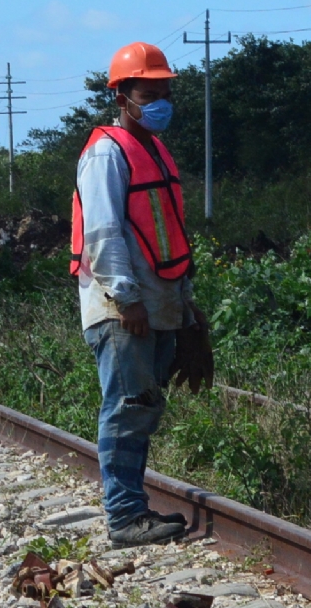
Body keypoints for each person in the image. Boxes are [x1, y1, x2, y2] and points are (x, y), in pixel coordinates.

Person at [71, 41, 215, 547]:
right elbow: (104, 233)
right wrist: (127, 299)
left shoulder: (153, 149)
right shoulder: (106, 153)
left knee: (143, 407)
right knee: (128, 407)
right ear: (121, 96)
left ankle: (131, 509)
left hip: (156, 303)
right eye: (147, 92)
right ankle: (125, 516)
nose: (159, 101)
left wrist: (185, 303)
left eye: (164, 91)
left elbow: (168, 233)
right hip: (122, 307)